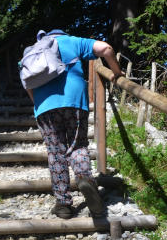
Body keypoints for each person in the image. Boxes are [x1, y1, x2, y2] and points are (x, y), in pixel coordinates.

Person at [27, 30, 124, 220]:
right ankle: (85, 179)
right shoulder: (73, 42)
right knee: (77, 146)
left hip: (45, 106)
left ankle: (63, 204)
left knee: (56, 153)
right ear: (62, 34)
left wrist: (39, 105)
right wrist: (117, 72)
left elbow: (28, 83)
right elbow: (106, 49)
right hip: (75, 102)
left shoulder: (32, 50)